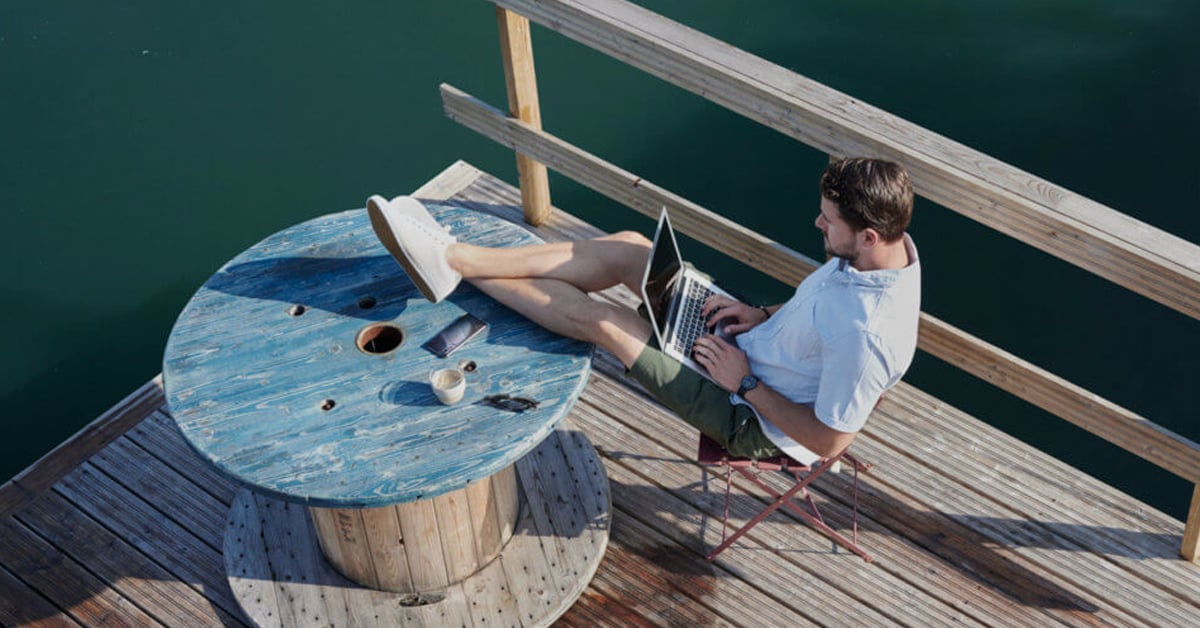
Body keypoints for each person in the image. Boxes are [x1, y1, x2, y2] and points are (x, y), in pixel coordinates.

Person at [366, 157, 920, 462]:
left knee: (608, 322)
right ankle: (457, 258)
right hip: (748, 344)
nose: (818, 225)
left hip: (750, 412)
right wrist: (762, 313)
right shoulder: (883, 258)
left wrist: (745, 383)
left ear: (868, 235)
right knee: (632, 247)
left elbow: (828, 442)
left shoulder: (867, 334)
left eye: (829, 221)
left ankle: (450, 263)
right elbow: (822, 302)